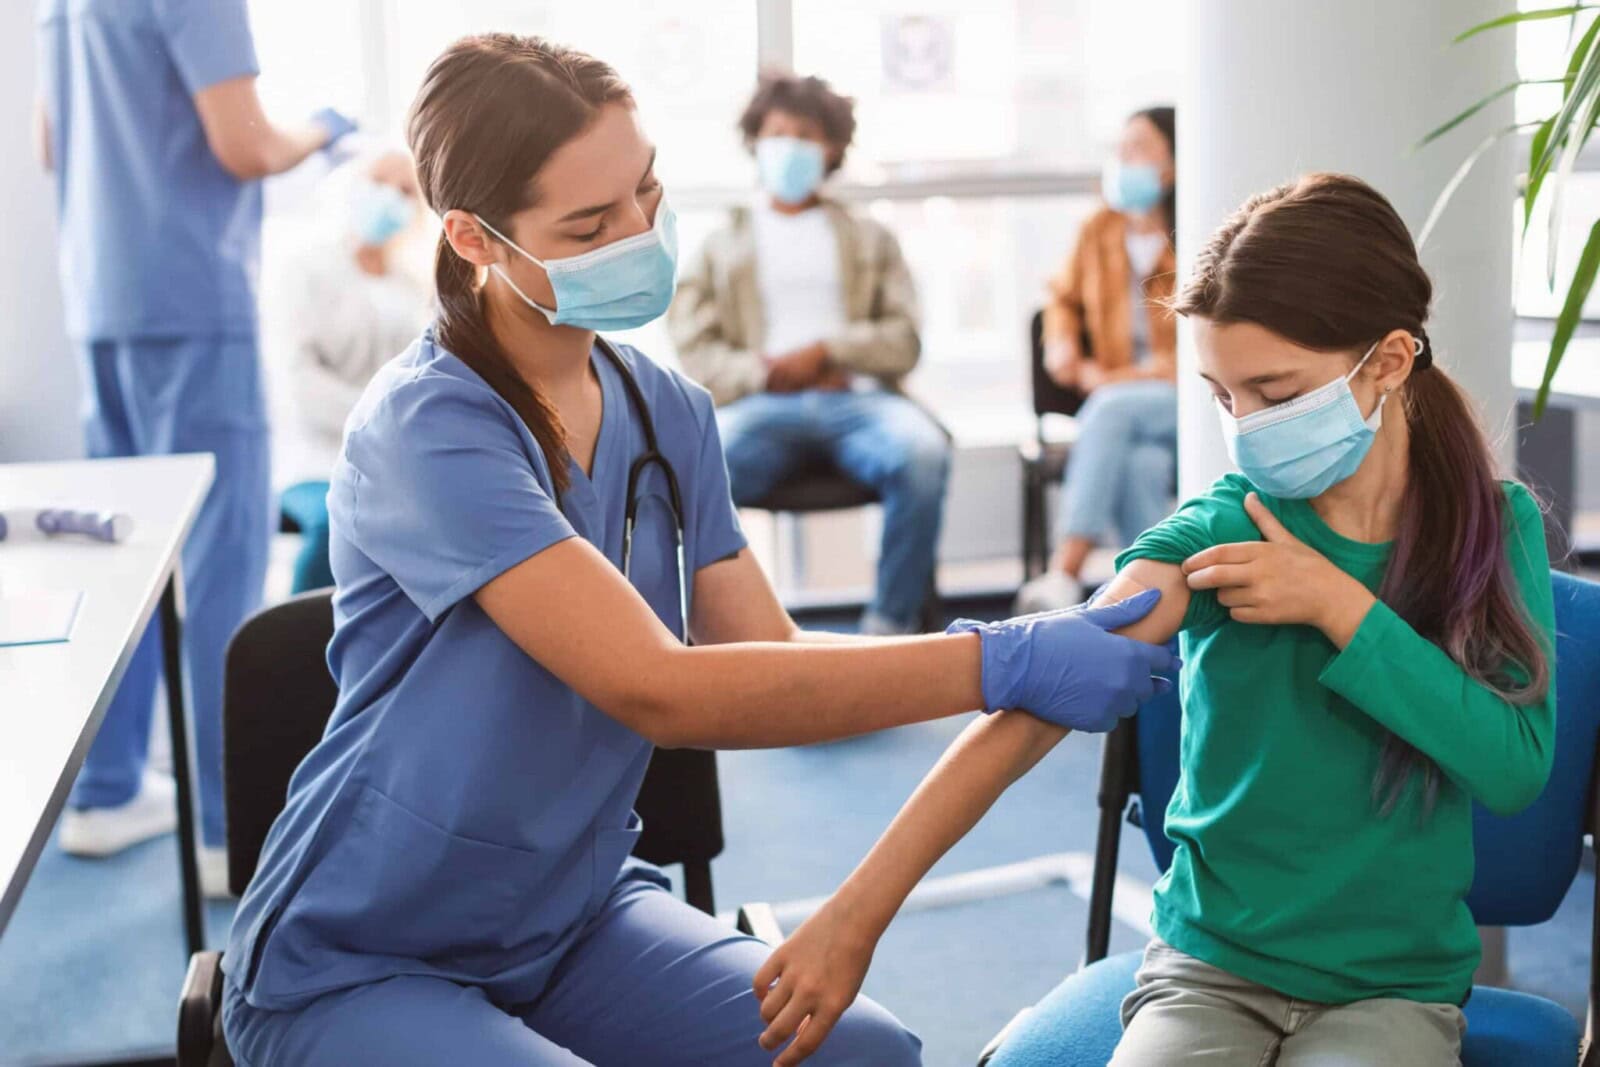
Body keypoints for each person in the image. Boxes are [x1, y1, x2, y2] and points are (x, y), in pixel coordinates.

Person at [218, 35, 1179, 1067]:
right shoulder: (430, 426)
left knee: (866, 1055)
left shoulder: (665, 410)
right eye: (590, 224)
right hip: (371, 951)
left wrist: (1002, 658)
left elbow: (766, 658)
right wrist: (1002, 658)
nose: (639, 233)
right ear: (476, 238)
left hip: (571, 915)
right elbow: (663, 689)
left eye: (645, 193)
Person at [756, 174, 1554, 1067]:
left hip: (1392, 984)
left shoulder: (1491, 524)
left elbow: (1513, 768)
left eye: (1274, 391)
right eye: (1223, 394)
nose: (1244, 428)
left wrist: (1339, 607)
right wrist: (854, 914)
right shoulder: (1218, 530)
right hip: (1211, 967)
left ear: (1390, 361)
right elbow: (1033, 712)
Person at [36, 0, 356, 889]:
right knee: (221, 557)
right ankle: (229, 826)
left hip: (99, 295)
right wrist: (328, 126)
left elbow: (49, 146)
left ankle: (106, 790)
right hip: (188, 294)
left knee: (124, 554)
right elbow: (246, 146)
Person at [670, 73, 949, 636]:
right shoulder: (720, 245)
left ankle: (889, 628)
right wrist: (766, 373)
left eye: (806, 134)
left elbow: (905, 340)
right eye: (778, 132)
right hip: (758, 404)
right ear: (756, 141)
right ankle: (725, 636)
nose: (790, 147)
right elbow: (694, 348)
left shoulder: (871, 238)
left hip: (860, 402)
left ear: (831, 150)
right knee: (695, 471)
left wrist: (828, 352)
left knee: (922, 455)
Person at [1016, 107, 1178, 613]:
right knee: (1139, 466)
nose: (1124, 160)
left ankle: (1064, 572)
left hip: (1183, 395)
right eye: (1121, 149)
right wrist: (1061, 344)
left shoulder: (1196, 234)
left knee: (1109, 407)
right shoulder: (1098, 230)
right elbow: (1059, 300)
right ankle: (1157, 600)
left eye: (1140, 148)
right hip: (1126, 404)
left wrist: (1107, 379)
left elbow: (1193, 349)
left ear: (1173, 162)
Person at [275, 147, 433, 593]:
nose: (390, 197)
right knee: (336, 526)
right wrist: (379, 418)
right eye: (380, 182)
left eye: (405, 191)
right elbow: (301, 383)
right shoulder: (307, 269)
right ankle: (298, 653)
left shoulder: (414, 288)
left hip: (398, 462)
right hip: (316, 461)